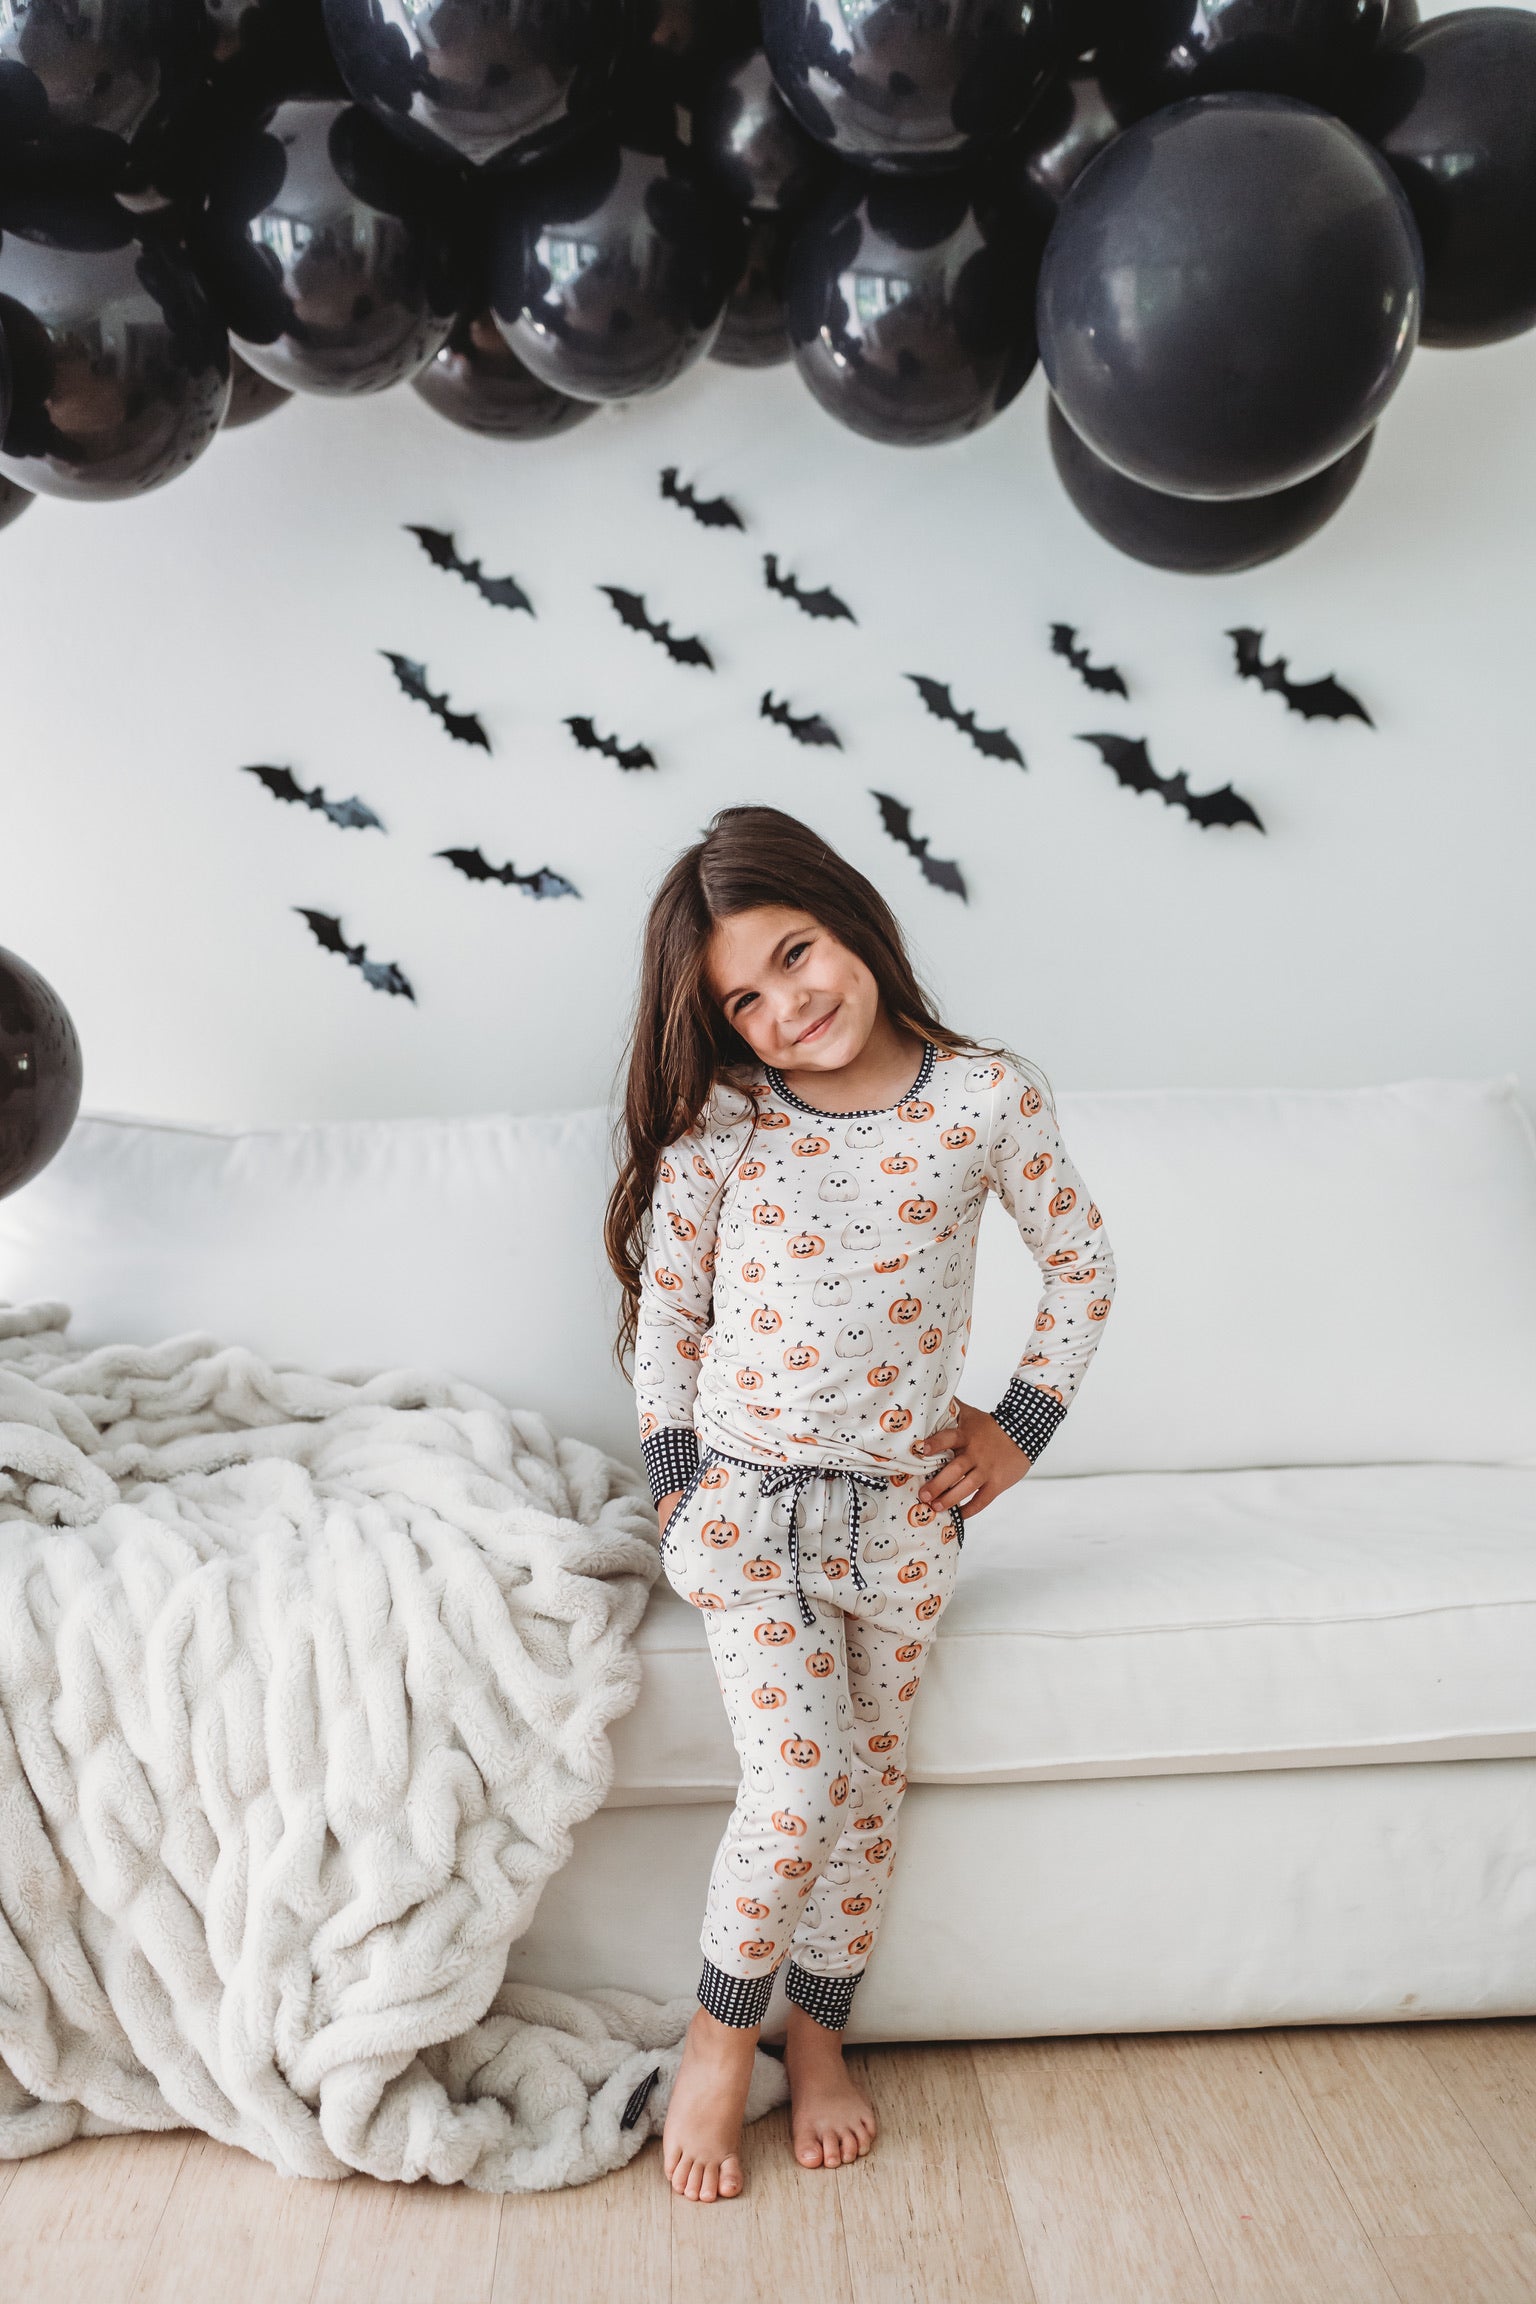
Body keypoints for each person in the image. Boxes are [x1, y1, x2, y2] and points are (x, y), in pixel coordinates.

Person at [605, 804, 1117, 2202]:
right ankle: (720, 2041)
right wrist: (678, 1488)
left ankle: (820, 2041)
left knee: (868, 1796)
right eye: (744, 998)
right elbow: (672, 1317)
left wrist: (1016, 1431)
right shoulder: (726, 1118)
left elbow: (1081, 1268)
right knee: (803, 1781)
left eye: (797, 953)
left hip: (901, 1523)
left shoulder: (985, 1097)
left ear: (853, 920)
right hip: (748, 1516)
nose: (786, 1005)